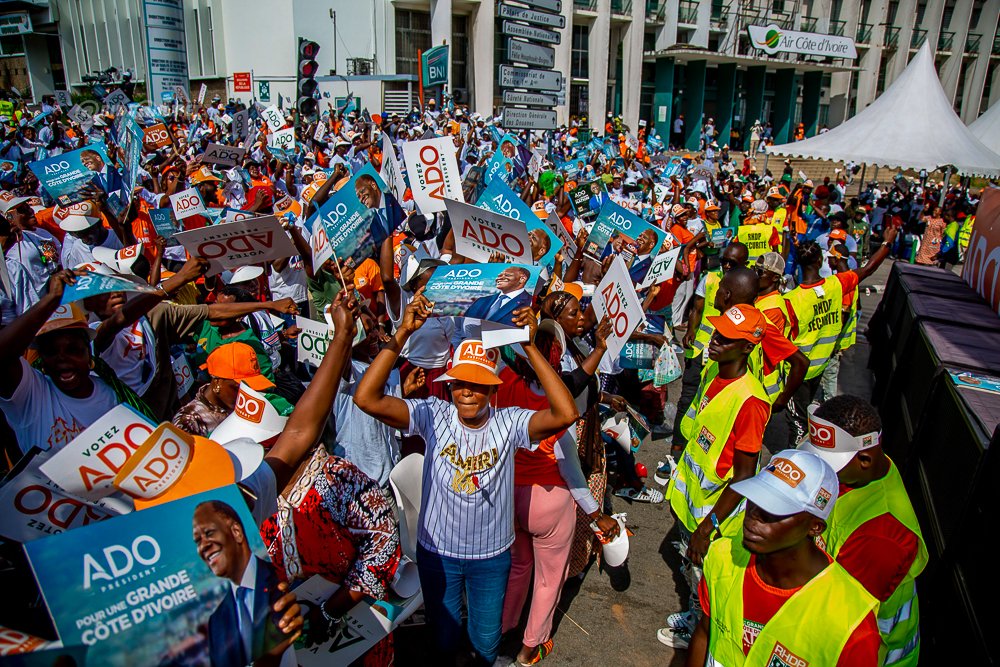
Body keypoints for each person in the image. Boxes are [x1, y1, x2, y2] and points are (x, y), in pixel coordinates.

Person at [353, 292, 579, 666]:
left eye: (478, 383)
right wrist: (403, 332)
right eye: (459, 382)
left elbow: (566, 413)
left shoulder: (510, 422)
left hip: (491, 557)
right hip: (437, 554)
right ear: (449, 385)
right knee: (443, 639)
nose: (468, 391)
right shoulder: (432, 414)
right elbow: (365, 398)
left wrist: (529, 347)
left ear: (493, 389)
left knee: (485, 642)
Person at [685, 449, 881, 666]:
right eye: (755, 497)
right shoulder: (723, 556)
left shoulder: (851, 625)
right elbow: (705, 633)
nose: (754, 516)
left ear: (815, 527)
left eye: (775, 509)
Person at [659, 304, 770, 649]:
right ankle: (693, 614)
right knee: (689, 570)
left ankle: (698, 631)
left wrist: (708, 528)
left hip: (712, 516)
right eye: (718, 332)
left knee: (703, 579)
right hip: (691, 506)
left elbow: (744, 477)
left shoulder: (751, 401)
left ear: (748, 347)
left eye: (727, 338)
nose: (716, 340)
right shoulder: (713, 371)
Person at [798, 396, 928, 667]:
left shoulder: (882, 537)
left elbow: (835, 618)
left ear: (865, 460)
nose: (819, 472)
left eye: (828, 465)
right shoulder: (860, 472)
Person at [783, 226, 897, 445]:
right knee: (805, 416)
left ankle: (795, 456)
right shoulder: (835, 286)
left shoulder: (790, 300)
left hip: (797, 373)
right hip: (819, 365)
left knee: (797, 423)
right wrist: (886, 243)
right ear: (820, 261)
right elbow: (868, 269)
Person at [194, 499, 296, 667]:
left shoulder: (278, 583)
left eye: (209, 533)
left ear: (236, 532)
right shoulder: (216, 622)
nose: (203, 546)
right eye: (198, 540)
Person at [465, 266, 533, 326]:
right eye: (499, 275)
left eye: (507, 275)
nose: (499, 278)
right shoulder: (481, 301)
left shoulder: (531, 303)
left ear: (522, 279)